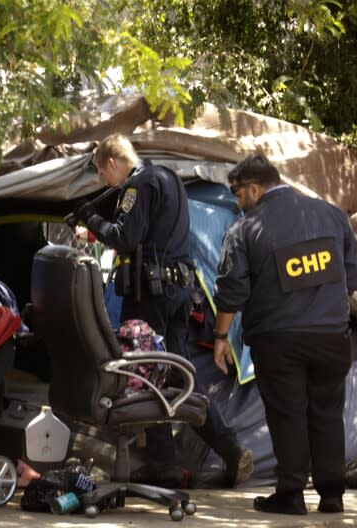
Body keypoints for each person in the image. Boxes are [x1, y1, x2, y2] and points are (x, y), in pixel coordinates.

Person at [73, 133, 252, 488]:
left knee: (146, 373)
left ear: (111, 163)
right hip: (178, 291)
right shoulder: (168, 178)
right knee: (180, 373)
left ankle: (165, 467)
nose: (105, 182)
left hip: (150, 295)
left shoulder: (136, 185)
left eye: (102, 175)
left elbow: (126, 238)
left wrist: (91, 218)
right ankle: (228, 447)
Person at [212, 154, 357, 514]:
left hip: (279, 340)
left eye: (238, 194)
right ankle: (331, 495)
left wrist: (221, 338)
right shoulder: (330, 214)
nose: (237, 202)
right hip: (331, 337)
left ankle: (291, 494)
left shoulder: (246, 230)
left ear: (254, 188)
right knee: (327, 412)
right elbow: (351, 278)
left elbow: (232, 291)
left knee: (288, 414)